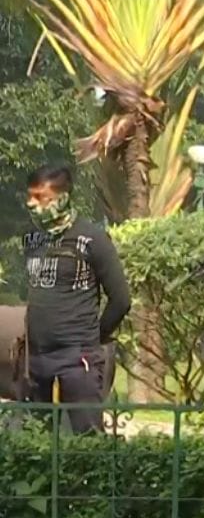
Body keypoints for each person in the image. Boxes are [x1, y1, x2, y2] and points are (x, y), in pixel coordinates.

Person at [20, 165, 130, 433]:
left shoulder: (92, 238)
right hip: (37, 358)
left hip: (78, 357)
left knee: (87, 438)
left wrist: (94, 337)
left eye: (40, 197)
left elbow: (121, 299)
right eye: (29, 197)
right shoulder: (32, 240)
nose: (31, 204)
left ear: (63, 198)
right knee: (35, 439)